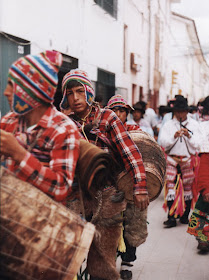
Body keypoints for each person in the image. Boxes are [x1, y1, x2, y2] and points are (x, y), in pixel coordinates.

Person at [60, 69, 149, 280]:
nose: (75, 98)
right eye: (70, 93)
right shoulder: (63, 121)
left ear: (89, 92)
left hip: (108, 196)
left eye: (80, 91)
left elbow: (130, 153)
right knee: (66, 256)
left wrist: (140, 187)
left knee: (102, 260)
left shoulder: (107, 117)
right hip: (76, 196)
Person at [0, 50, 81, 207]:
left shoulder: (64, 129)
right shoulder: (8, 121)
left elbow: (61, 188)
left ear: (32, 91)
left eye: (12, 85)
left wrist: (18, 153)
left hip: (40, 224)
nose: (6, 93)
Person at [106, 94, 148, 280]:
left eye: (122, 110)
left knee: (133, 223)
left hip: (132, 185)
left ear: (127, 114)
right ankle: (108, 261)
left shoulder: (136, 131)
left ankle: (127, 264)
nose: (118, 114)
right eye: (114, 110)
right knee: (110, 224)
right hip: (109, 187)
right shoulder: (102, 133)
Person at [158, 96, 202, 228]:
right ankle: (171, 217)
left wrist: (189, 135)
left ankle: (184, 216)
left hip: (188, 160)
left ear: (187, 112)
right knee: (171, 188)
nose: (180, 114)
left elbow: (198, 144)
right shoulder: (168, 125)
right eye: (177, 111)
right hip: (172, 160)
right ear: (174, 112)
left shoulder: (194, 125)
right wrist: (174, 136)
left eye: (182, 111)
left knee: (188, 189)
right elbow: (163, 143)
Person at [187, 96, 209, 252]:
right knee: (203, 209)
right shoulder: (204, 127)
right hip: (208, 177)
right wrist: (205, 187)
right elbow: (204, 162)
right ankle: (203, 240)